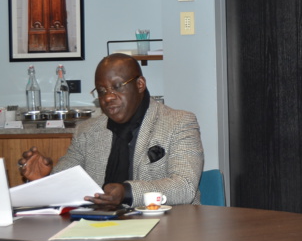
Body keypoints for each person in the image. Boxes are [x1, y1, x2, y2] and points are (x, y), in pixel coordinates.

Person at [18, 53, 204, 207]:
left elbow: (184, 187)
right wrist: (43, 180)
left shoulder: (179, 123)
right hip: (101, 229)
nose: (108, 98)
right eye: (101, 91)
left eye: (117, 87)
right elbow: (65, 182)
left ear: (140, 84)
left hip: (167, 229)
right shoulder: (87, 132)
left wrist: (127, 192)